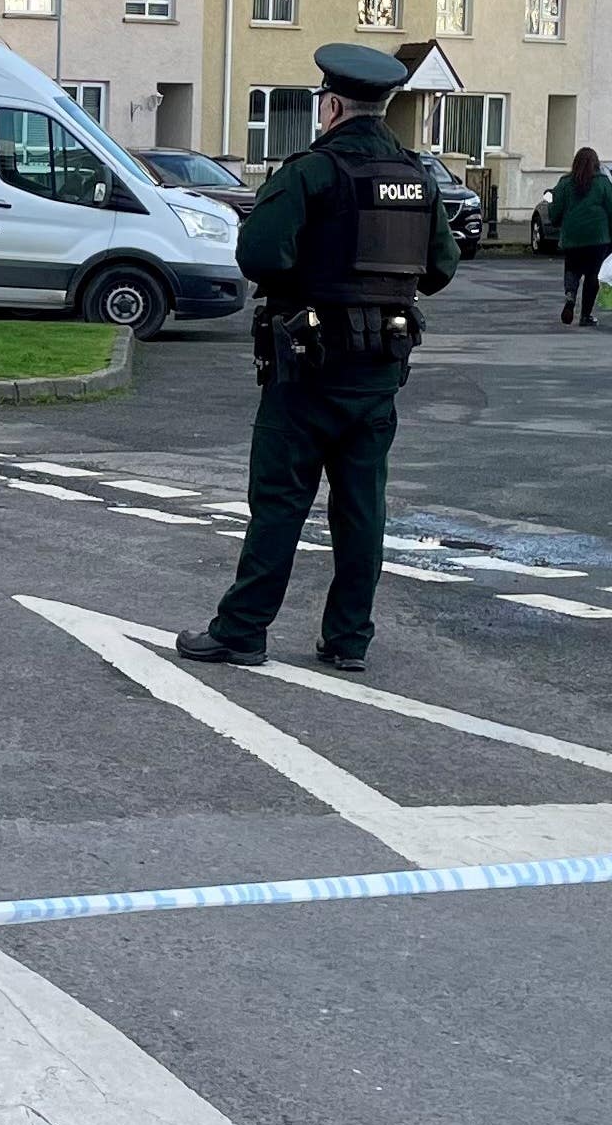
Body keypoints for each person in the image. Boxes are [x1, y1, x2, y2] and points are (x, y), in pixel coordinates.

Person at [176, 44, 458, 676]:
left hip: (308, 366)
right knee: (362, 508)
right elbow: (440, 268)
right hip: (380, 368)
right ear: (381, 105)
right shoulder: (416, 176)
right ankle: (349, 639)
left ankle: (243, 631)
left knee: (279, 503)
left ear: (330, 105)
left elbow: (260, 255)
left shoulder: (311, 171)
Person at [541, 145, 612, 327]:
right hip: (598, 238)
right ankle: (586, 315)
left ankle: (570, 298)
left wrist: (555, 217)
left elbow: (555, 212)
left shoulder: (565, 183)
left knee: (572, 269)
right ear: (596, 164)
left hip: (572, 237)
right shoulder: (604, 184)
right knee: (592, 275)